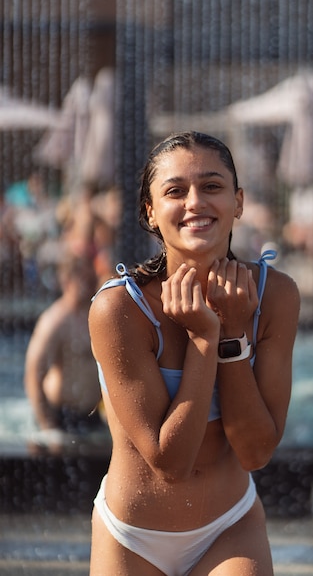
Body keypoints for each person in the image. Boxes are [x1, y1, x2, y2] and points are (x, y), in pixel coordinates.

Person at [88, 131, 300, 575]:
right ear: (150, 211)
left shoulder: (275, 296)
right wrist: (206, 337)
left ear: (238, 202)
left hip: (230, 527)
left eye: (212, 186)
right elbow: (171, 463)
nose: (195, 203)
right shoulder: (120, 310)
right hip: (132, 537)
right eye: (175, 191)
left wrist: (232, 334)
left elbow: (256, 452)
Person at [25, 253, 103, 434]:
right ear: (67, 281)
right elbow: (33, 374)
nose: (91, 284)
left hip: (91, 416)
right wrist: (48, 426)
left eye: (92, 278)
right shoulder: (55, 321)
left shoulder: (95, 315)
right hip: (61, 416)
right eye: (85, 278)